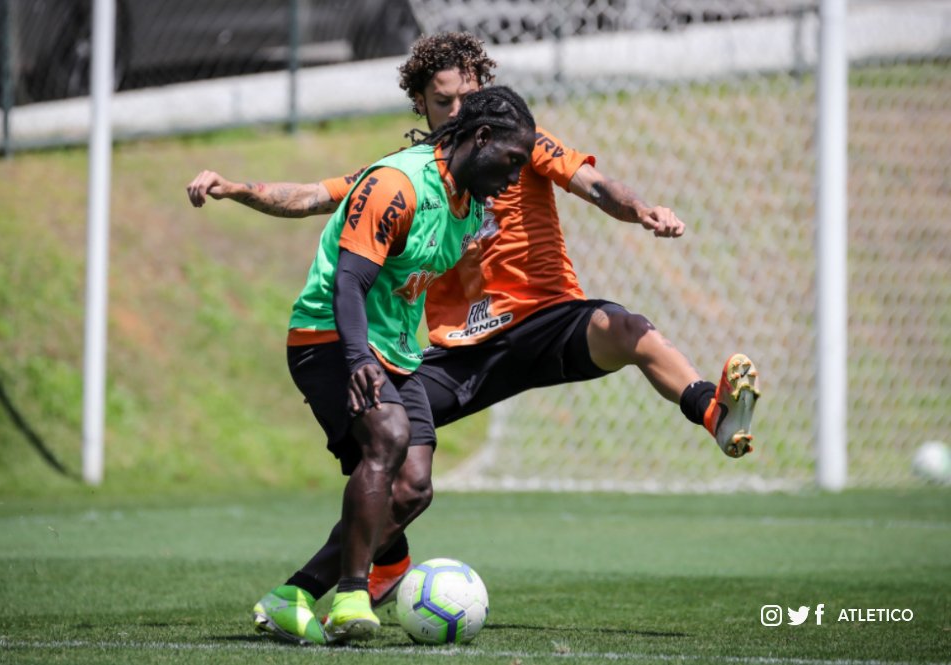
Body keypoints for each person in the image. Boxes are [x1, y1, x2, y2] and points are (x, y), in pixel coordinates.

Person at [187, 32, 759, 642]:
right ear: (423, 106)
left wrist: (640, 209)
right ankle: (371, 571)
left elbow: (595, 184)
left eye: (468, 97)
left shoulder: (518, 141)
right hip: (449, 346)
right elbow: (315, 198)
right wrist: (238, 189)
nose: (459, 112)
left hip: (542, 318)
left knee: (626, 330)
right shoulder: (406, 179)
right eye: (444, 102)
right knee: (392, 459)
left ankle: (711, 410)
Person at [242, 85, 536, 645]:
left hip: (396, 351)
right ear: (481, 138)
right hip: (330, 336)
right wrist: (357, 358)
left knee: (415, 488)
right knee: (388, 436)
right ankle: (353, 595)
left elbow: (437, 282)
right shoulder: (397, 185)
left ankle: (292, 596)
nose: (516, 176)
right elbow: (349, 282)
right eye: (512, 160)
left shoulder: (471, 208)